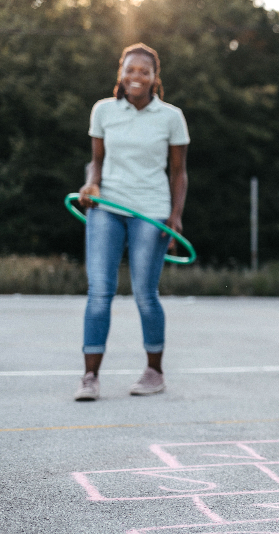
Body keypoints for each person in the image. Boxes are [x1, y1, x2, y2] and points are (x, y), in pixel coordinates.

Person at [74, 43, 190, 401]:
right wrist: (91, 183)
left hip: (151, 211)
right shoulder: (104, 111)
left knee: (144, 293)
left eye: (144, 71)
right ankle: (90, 378)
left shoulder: (171, 116)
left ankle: (154, 372)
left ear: (155, 78)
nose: (136, 76)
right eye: (130, 69)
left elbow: (179, 172)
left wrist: (174, 217)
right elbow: (97, 160)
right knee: (99, 294)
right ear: (120, 74)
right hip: (106, 207)